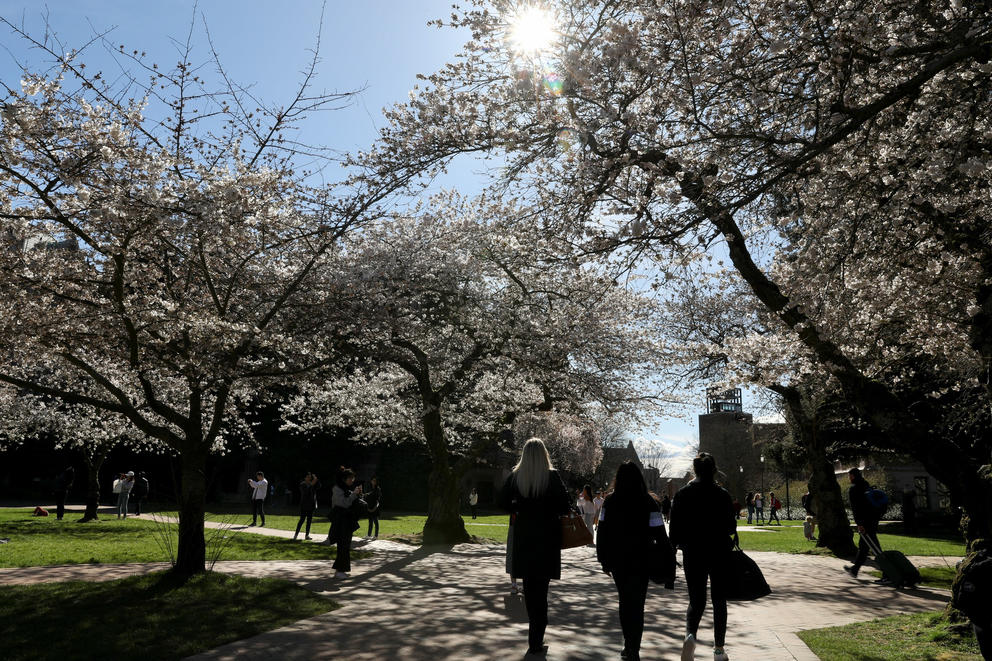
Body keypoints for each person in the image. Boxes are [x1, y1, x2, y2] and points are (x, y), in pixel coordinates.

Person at [498, 438, 571, 658]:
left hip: (524, 539)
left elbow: (500, 503)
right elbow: (565, 506)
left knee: (530, 590)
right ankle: (538, 634)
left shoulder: (516, 477)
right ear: (544, 455)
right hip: (547, 539)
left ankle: (535, 634)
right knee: (542, 590)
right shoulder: (552, 476)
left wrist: (518, 507)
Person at [596, 461, 671, 661]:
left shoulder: (610, 502)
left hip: (618, 559)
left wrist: (603, 559)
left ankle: (629, 645)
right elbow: (660, 532)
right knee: (637, 604)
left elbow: (602, 531)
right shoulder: (648, 502)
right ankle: (633, 647)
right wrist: (667, 556)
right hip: (642, 558)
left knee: (624, 601)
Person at [669, 453, 736, 661]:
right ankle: (718, 649)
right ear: (714, 469)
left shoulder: (683, 494)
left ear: (694, 469)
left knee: (696, 600)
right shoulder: (722, 494)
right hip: (719, 551)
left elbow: (674, 529)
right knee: (719, 600)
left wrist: (675, 547)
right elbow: (731, 526)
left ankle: (690, 636)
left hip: (693, 551)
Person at [843, 467, 882, 579]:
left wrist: (859, 523)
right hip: (873, 519)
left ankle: (888, 572)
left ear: (853, 476)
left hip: (864, 521)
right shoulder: (866, 485)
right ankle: (855, 570)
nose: (849, 478)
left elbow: (856, 508)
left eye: (849, 476)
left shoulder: (854, 489)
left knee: (874, 547)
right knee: (864, 546)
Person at [329, 466, 364, 579]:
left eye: (353, 478)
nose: (352, 480)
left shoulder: (345, 488)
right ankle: (339, 571)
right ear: (344, 478)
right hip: (340, 522)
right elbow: (344, 503)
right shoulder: (337, 489)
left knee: (345, 545)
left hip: (347, 521)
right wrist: (354, 494)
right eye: (350, 478)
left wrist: (358, 494)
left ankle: (342, 569)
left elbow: (352, 501)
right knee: (343, 546)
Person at [294, 472, 319, 540]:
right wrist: (311, 484)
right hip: (304, 505)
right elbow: (305, 493)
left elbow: (319, 486)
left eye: (310, 477)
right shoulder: (302, 484)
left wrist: (316, 480)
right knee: (302, 520)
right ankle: (296, 535)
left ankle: (307, 535)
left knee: (309, 521)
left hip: (311, 505)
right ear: (305, 478)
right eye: (307, 477)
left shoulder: (312, 484)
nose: (309, 478)